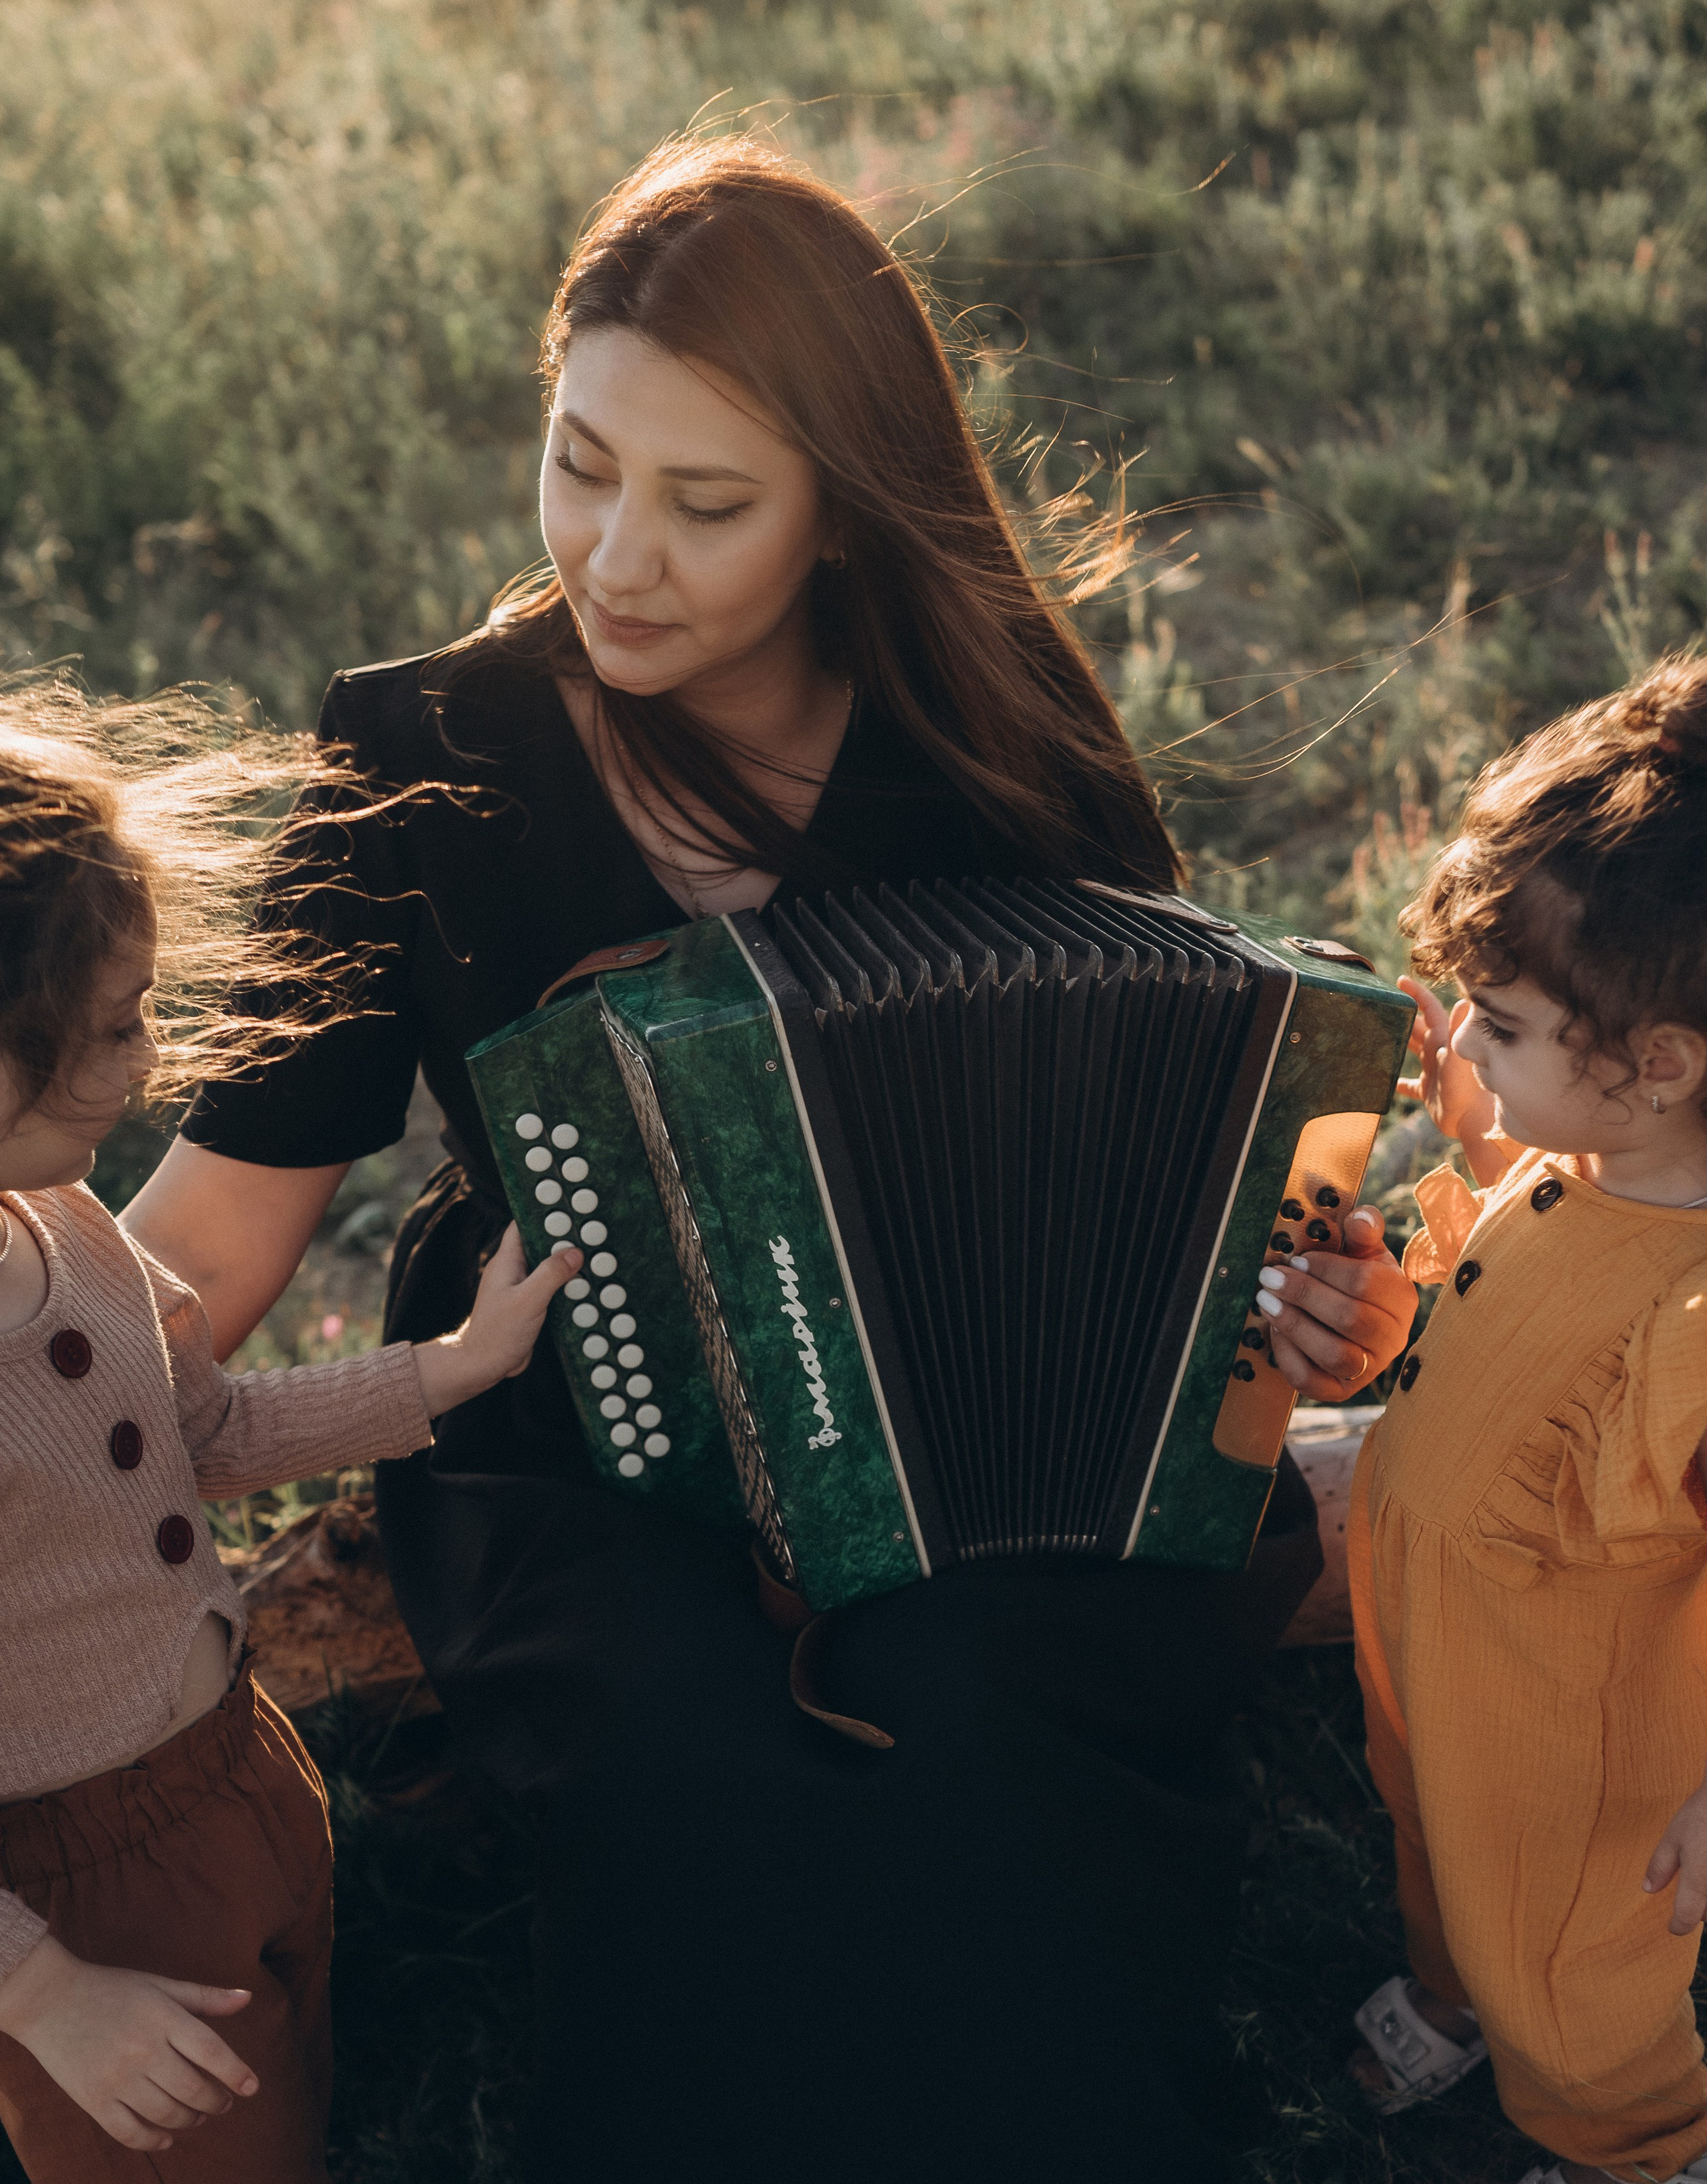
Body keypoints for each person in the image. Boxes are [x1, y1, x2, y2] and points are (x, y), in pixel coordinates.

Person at [126, 134, 1418, 2181]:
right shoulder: (421, 760)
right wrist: (38, 1359)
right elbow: (215, 1221)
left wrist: (1318, 1307)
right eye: (579, 462)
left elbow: (1228, 1192)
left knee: (980, 1724)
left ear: (839, 514)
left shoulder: (996, 751)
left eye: (706, 502)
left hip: (983, 1460)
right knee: (699, 1753)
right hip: (570, 1417)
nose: (613, 553)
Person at [0, 686, 577, 2183]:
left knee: (279, 2116)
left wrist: (448, 1368)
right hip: (77, 1895)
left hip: (236, 1778)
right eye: (116, 1025)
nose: (148, 1058)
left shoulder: (66, 1227)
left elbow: (213, 1429)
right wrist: (44, 1993)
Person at [1345, 653, 1707, 2184]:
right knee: (1428, 1836)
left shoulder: (1689, 1328)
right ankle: (1448, 1981)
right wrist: (1488, 1122)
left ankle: (1631, 2144)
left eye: (1500, 1024)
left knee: (1562, 1981)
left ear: (1654, 1066)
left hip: (1568, 1762)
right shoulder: (1588, 1162)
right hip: (1431, 1651)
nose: (1467, 1053)